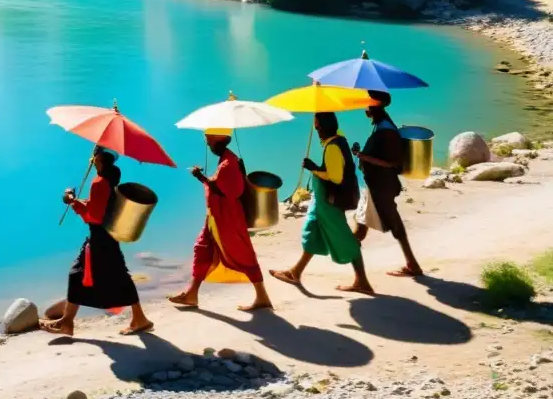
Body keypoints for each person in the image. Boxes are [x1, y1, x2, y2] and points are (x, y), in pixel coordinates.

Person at [40, 147, 154, 337]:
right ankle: (67, 322)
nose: (92, 157)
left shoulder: (99, 182)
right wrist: (80, 202)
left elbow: (94, 217)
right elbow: (100, 205)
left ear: (100, 158)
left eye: (94, 154)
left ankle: (67, 322)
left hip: (100, 237)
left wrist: (73, 202)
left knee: (84, 274)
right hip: (108, 236)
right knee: (95, 274)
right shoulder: (111, 177)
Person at [168, 129, 272, 312]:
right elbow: (219, 185)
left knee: (243, 254)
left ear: (219, 140)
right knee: (202, 249)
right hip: (215, 217)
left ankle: (262, 296)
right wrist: (204, 179)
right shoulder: (225, 160)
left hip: (228, 219)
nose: (208, 144)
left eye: (209, 141)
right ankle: (192, 294)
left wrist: (200, 177)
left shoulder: (228, 163)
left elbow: (232, 191)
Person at [270, 112, 373, 294]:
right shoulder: (338, 138)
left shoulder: (333, 146)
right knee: (312, 232)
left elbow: (335, 177)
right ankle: (295, 272)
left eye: (318, 127)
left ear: (325, 127)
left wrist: (313, 168)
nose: (316, 130)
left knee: (344, 238)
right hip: (321, 200)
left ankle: (362, 281)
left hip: (329, 202)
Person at [352, 90, 423, 278]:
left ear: (377, 104)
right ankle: (412, 264)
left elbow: (392, 162)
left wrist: (362, 156)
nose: (364, 106)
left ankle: (361, 280)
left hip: (381, 187)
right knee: (364, 227)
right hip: (376, 186)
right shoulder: (381, 126)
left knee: (378, 227)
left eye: (368, 103)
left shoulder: (386, 131)